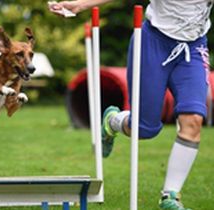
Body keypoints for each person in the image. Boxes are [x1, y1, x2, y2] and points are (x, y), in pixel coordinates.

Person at [49, 0, 213, 210]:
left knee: (193, 121)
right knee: (144, 129)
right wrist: (80, 5)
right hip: (153, 43)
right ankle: (113, 120)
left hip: (194, 47)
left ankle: (170, 197)